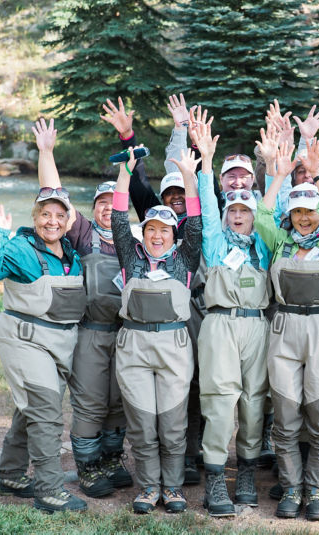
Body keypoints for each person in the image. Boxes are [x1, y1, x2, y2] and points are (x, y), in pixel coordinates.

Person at [101, 95, 207, 485]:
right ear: (143, 231)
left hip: (182, 333)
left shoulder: (185, 254)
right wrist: (127, 159)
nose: (159, 234)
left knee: (180, 413)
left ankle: (179, 477)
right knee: (144, 422)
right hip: (138, 340)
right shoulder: (133, 253)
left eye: (165, 229)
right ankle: (149, 486)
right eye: (152, 229)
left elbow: (196, 220)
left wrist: (191, 170)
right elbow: (119, 211)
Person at [32, 119, 132, 499]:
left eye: (113, 204)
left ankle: (111, 459)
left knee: (118, 401)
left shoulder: (134, 239)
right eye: (101, 204)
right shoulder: (84, 232)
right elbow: (54, 194)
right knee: (90, 401)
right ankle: (88, 469)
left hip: (125, 334)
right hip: (90, 332)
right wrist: (47, 152)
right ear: (93, 209)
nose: (108, 209)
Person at [0, 191, 88, 513]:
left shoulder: (71, 254)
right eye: (45, 214)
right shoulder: (21, 248)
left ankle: (9, 476)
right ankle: (49, 491)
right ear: (35, 217)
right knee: (47, 413)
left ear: (68, 220)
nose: (53, 221)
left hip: (60, 345)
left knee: (31, 409)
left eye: (59, 215)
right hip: (25, 341)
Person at [180, 119, 272, 517]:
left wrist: (276, 165)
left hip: (257, 325)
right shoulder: (215, 243)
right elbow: (205, 200)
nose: (237, 215)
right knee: (219, 400)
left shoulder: (266, 245)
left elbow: (274, 205)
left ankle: (247, 472)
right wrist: (205, 161)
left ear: (254, 214)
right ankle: (215, 477)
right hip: (219, 325)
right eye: (232, 210)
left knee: (254, 402)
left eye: (244, 211)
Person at [255, 139, 319, 521]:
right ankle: (292, 487)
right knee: (287, 414)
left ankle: (318, 491)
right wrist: (277, 178)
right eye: (297, 212)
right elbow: (261, 216)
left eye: (310, 212)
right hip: (284, 328)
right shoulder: (280, 241)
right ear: (289, 215)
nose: (304, 218)